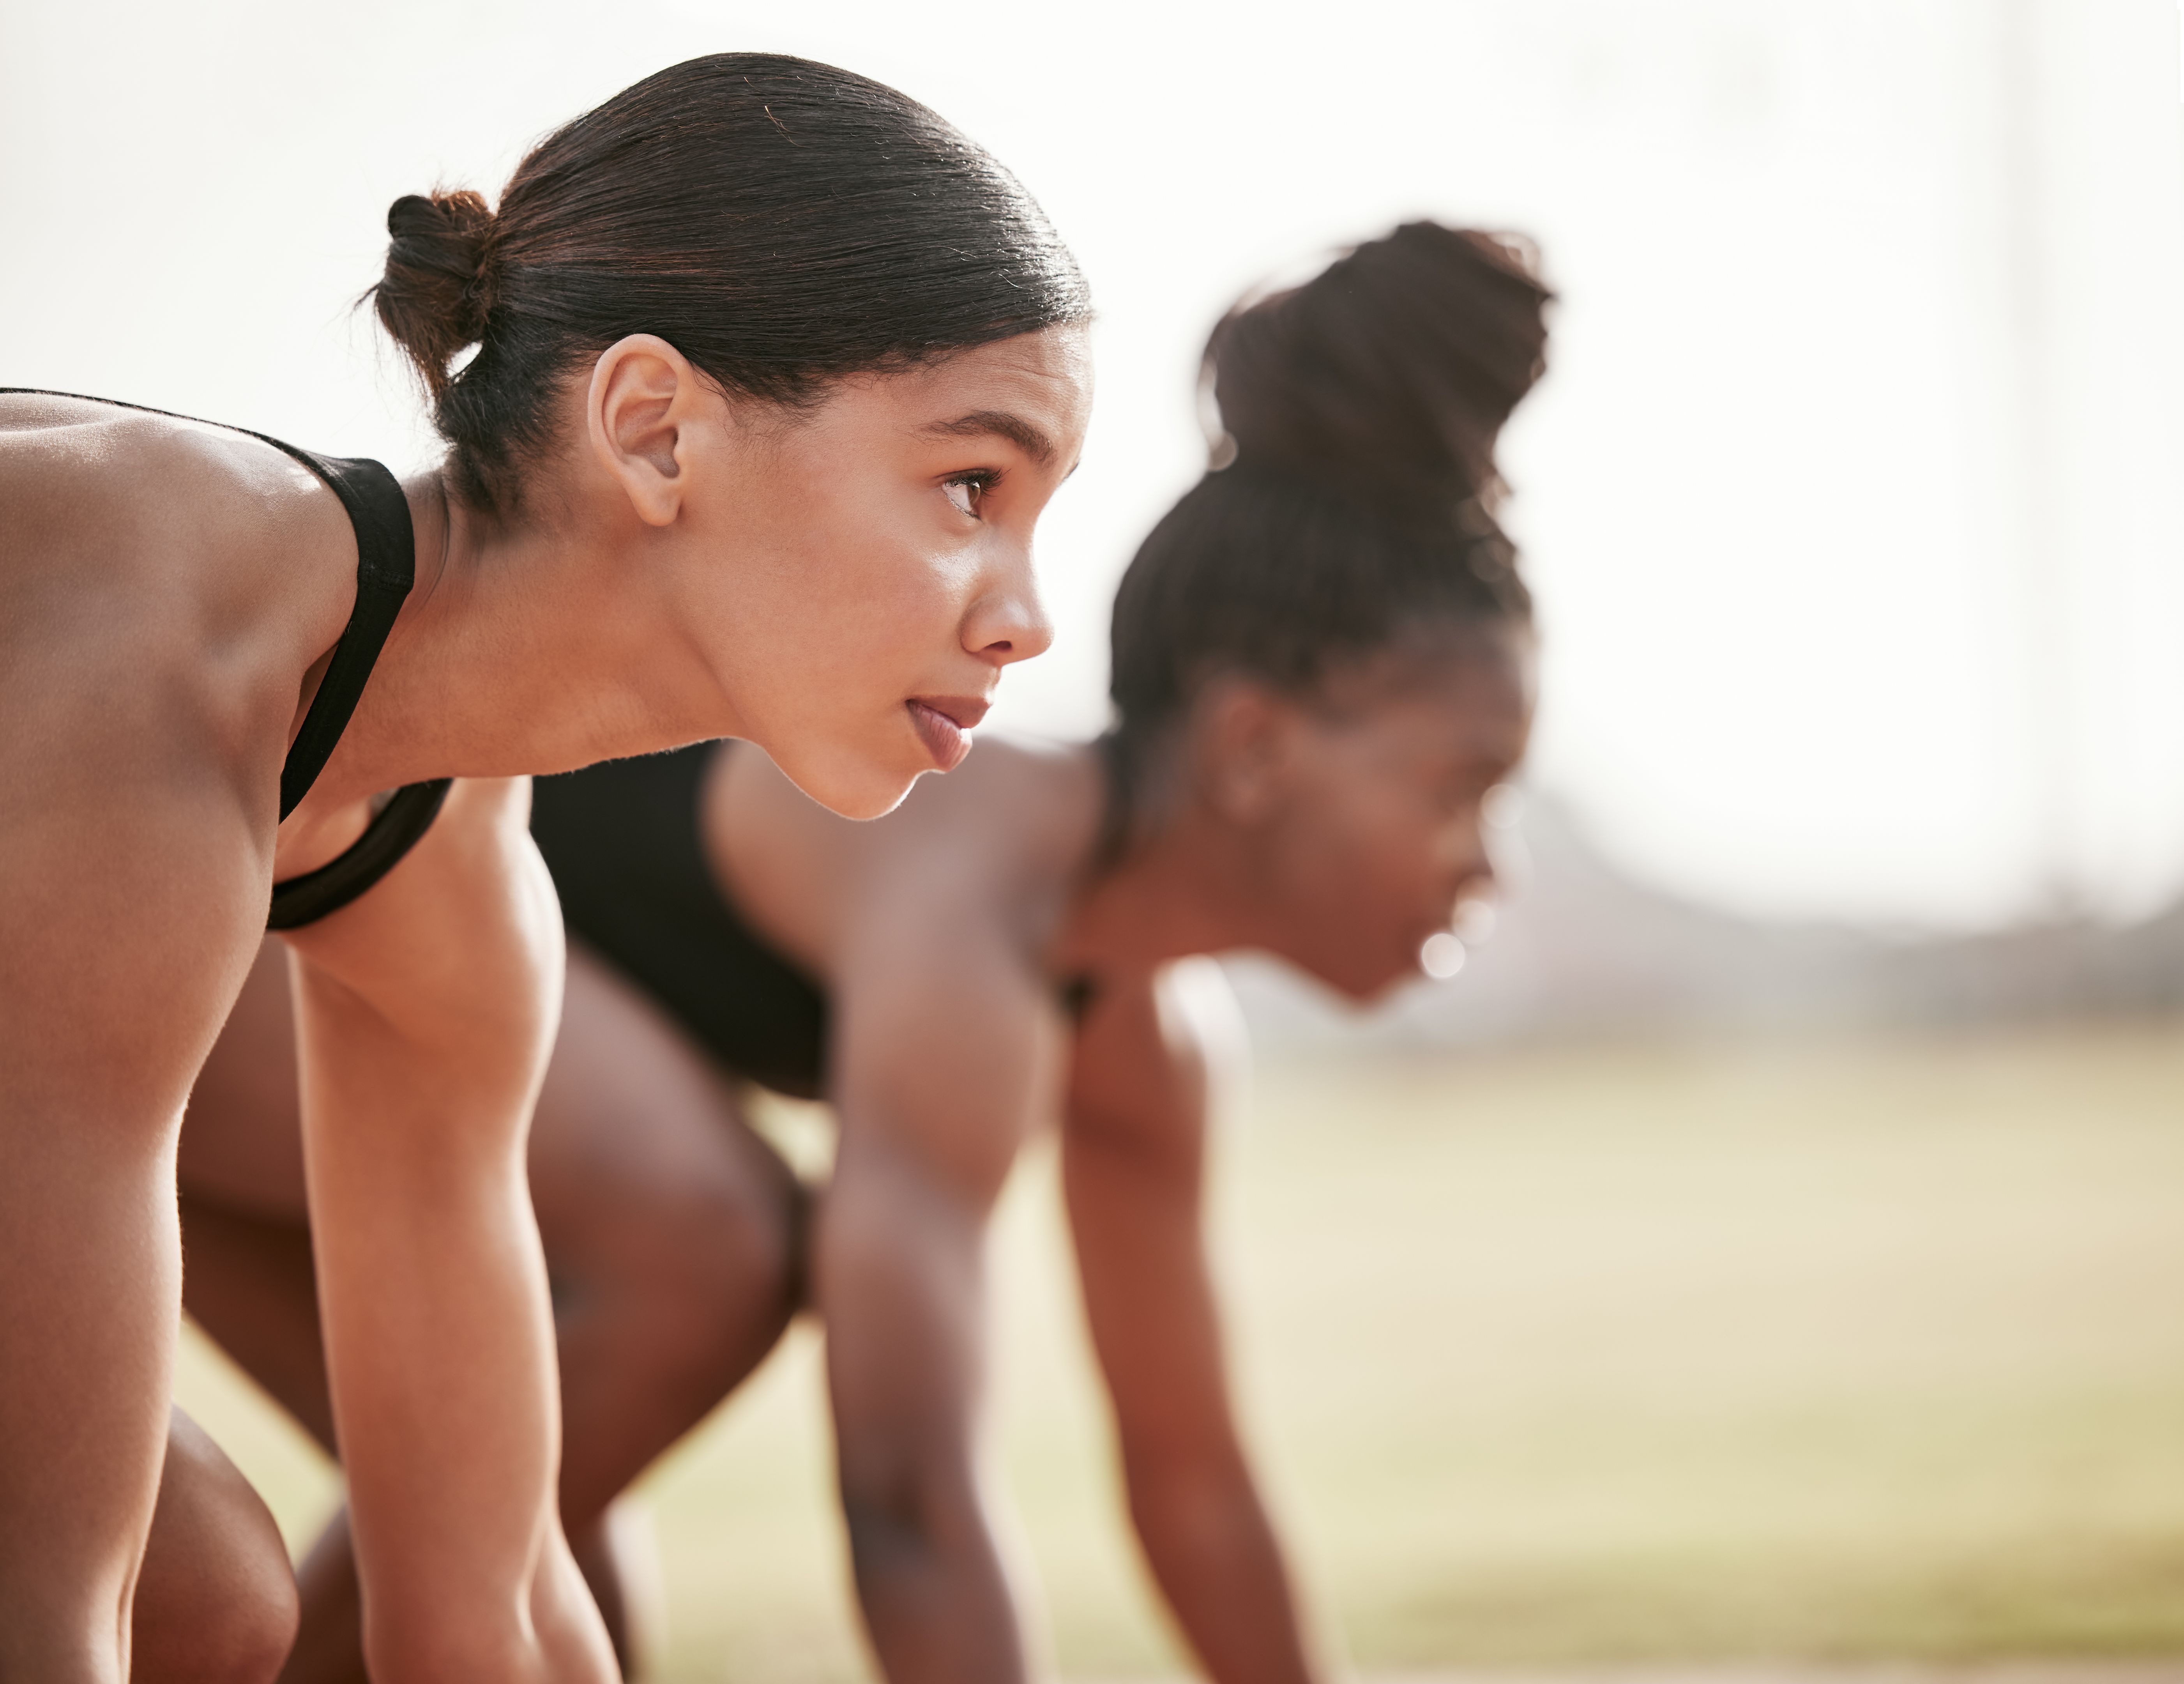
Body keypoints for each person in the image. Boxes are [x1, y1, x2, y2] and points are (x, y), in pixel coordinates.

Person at [178, 221, 1549, 1682]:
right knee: (701, 1250)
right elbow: (908, 1499)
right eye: (1458, 785)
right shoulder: (970, 876)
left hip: (421, 1093)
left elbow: (1195, 1485)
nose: (1490, 861)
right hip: (247, 947)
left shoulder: (1144, 1042)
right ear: (1253, 747)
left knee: (579, 1610)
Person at [0, 51, 1092, 1684]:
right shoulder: (153, 644)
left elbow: (490, 1616)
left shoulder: (445, 857)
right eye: (967, 485)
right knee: (196, 1594)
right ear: (655, 429)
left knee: (203, 1600)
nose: (1026, 613)